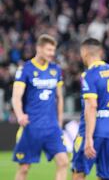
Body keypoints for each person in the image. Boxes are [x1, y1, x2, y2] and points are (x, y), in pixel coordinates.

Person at [12, 34, 69, 180]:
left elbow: (60, 97)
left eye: (53, 50)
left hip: (51, 127)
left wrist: (60, 121)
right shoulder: (25, 69)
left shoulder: (55, 69)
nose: (52, 53)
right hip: (32, 126)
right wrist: (19, 115)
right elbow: (16, 96)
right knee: (24, 168)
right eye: (49, 50)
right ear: (39, 48)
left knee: (63, 162)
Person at [72, 38, 109, 180]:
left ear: (84, 52)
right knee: (106, 176)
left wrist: (88, 138)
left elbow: (92, 106)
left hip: (92, 132)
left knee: (79, 172)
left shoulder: (89, 75)